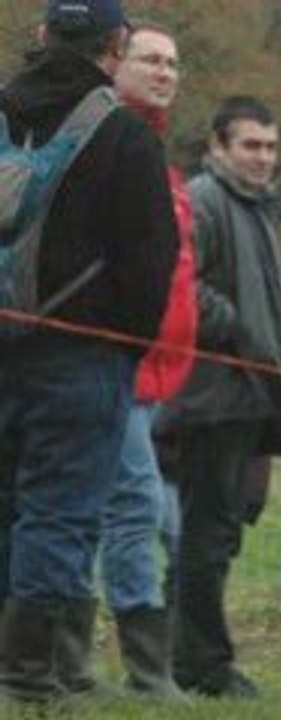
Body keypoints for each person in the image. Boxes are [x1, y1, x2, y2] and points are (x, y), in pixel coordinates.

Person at [0, 0, 178, 704]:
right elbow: (151, 262)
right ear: (115, 47)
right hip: (83, 358)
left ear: (42, 37)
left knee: (6, 505)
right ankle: (27, 675)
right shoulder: (126, 135)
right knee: (59, 514)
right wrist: (126, 345)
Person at [155, 96, 281, 698]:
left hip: (250, 396)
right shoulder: (205, 200)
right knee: (206, 535)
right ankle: (202, 665)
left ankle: (185, 653)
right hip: (212, 396)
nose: (262, 158)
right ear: (219, 147)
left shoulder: (257, 209)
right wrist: (238, 330)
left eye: (270, 147)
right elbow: (182, 283)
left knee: (222, 530)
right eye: (250, 145)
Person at [97, 19, 196, 700]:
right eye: (149, 60)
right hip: (111, 363)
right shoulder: (106, 143)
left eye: (172, 62)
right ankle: (145, 669)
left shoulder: (162, 160)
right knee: (133, 507)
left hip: (158, 372)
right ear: (115, 64)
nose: (164, 72)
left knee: (144, 511)